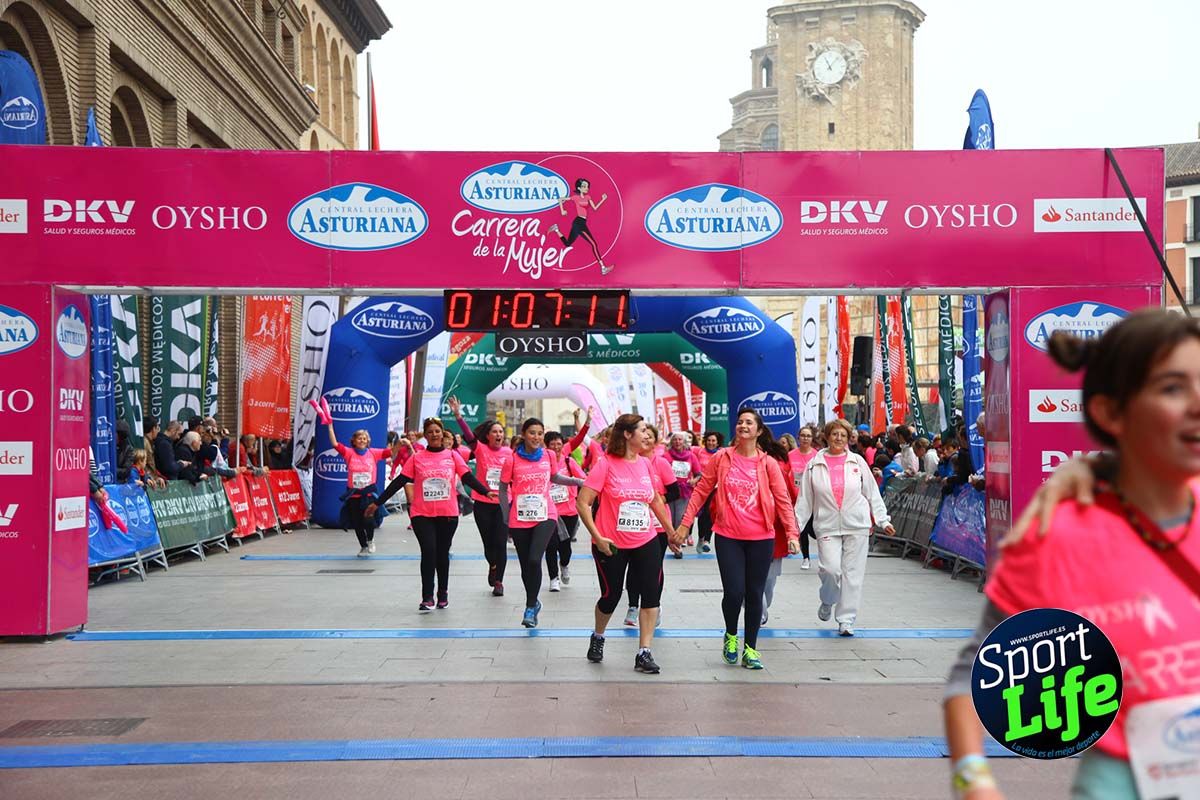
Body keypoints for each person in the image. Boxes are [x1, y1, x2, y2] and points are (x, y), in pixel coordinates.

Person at [944, 309, 1200, 799]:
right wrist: (974, 783)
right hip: (1126, 781)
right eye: (1172, 388)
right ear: (1110, 413)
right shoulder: (1054, 534)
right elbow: (970, 681)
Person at [676, 408, 800, 669]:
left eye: (749, 423)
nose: (743, 425)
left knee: (755, 594)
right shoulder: (722, 458)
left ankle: (751, 649)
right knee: (734, 592)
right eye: (740, 422)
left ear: (759, 430)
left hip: (761, 537)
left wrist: (792, 534)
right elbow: (700, 491)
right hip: (728, 535)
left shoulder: (768, 464)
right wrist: (686, 524)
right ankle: (731, 635)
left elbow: (783, 501)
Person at [577, 414, 678, 673]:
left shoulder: (645, 464)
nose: (647, 435)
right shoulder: (605, 464)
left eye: (647, 430)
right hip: (611, 543)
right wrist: (597, 537)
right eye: (642, 430)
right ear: (626, 434)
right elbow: (583, 502)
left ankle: (644, 652)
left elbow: (654, 499)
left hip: (645, 539)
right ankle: (598, 636)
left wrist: (670, 532)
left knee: (651, 594)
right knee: (611, 596)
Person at [368, 417, 494, 610]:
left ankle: (442, 592)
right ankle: (427, 596)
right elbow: (399, 481)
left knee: (442, 554)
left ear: (442, 434)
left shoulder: (452, 456)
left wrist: (485, 491)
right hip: (422, 514)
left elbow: (467, 477)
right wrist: (377, 503)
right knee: (428, 552)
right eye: (430, 432)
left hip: (448, 514)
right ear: (425, 436)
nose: (434, 434)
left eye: (437, 431)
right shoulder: (417, 457)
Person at [795, 418, 894, 637]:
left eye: (843, 435)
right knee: (831, 570)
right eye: (834, 434)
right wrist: (795, 530)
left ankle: (846, 619)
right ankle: (828, 599)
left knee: (852, 575)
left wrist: (883, 520)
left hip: (857, 524)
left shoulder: (857, 462)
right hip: (827, 525)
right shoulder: (814, 464)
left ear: (848, 438)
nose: (838, 438)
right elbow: (804, 501)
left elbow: (871, 493)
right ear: (827, 437)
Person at [498, 418, 584, 628]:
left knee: (536, 560)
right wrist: (506, 516)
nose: (536, 437)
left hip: (546, 514)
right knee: (526, 564)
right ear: (524, 434)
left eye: (539, 433)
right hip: (520, 517)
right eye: (532, 433)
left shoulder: (548, 455)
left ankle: (529, 607)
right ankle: (534, 602)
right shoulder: (512, 459)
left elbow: (554, 477)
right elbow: (502, 489)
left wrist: (577, 481)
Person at [449, 396, 513, 596]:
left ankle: (499, 582)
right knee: (488, 543)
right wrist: (458, 415)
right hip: (483, 502)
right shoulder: (481, 449)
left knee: (501, 542)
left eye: (501, 432)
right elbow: (468, 436)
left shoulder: (509, 452)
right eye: (494, 431)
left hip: (504, 502)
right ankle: (493, 565)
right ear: (487, 436)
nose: (498, 434)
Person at [316, 398, 390, 557]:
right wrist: (330, 425)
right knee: (356, 523)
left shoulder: (374, 453)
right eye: (359, 438)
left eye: (365, 438)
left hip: (369, 494)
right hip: (353, 494)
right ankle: (363, 546)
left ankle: (370, 541)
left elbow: (391, 452)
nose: (362, 440)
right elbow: (335, 444)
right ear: (354, 441)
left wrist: (402, 443)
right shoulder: (348, 453)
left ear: (368, 441)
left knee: (368, 519)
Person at [623, 425, 678, 627]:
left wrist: (657, 499)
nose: (645, 440)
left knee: (654, 568)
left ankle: (654, 604)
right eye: (642, 436)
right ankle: (632, 606)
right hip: (633, 523)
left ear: (654, 442)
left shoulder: (661, 463)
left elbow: (675, 492)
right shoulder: (627, 461)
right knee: (633, 567)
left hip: (658, 525)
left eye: (649, 438)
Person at [762, 439, 801, 625]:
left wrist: (792, 528)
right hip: (744, 528)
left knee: (769, 578)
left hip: (774, 526)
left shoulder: (778, 463)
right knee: (747, 577)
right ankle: (757, 608)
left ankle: (762, 604)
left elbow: (789, 495)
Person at [544, 431, 586, 589]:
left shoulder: (569, 462)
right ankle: (553, 578)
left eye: (559, 444)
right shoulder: (542, 462)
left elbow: (582, 479)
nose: (556, 447)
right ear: (546, 446)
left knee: (565, 547)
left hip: (569, 511)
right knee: (551, 545)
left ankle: (564, 564)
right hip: (549, 512)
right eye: (552, 444)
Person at [548, 177, 612, 275]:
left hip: (581, 222)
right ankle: (603, 268)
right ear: (579, 188)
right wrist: (562, 210)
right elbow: (560, 199)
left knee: (568, 244)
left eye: (587, 186)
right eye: (584, 186)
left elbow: (595, 208)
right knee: (593, 244)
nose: (586, 188)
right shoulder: (575, 197)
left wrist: (603, 199)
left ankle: (556, 229)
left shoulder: (588, 197)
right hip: (578, 223)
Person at [786, 426, 819, 569]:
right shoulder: (791, 455)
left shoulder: (816, 455)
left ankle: (827, 547)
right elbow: (787, 474)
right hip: (796, 497)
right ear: (798, 437)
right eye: (803, 436)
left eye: (808, 436)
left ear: (812, 439)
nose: (805, 438)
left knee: (814, 529)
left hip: (814, 498)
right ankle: (806, 558)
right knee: (802, 529)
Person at [692, 430, 724, 553]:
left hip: (715, 488)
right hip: (701, 488)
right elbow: (685, 450)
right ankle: (701, 538)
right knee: (702, 516)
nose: (711, 443)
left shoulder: (722, 453)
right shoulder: (699, 451)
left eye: (713, 441)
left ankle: (707, 540)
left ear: (717, 442)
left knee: (710, 514)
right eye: (709, 440)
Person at [664, 432, 700, 532]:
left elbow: (699, 474)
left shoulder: (691, 456)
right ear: (672, 442)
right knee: (669, 516)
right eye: (675, 439)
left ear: (684, 442)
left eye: (680, 439)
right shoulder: (666, 456)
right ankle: (670, 536)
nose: (677, 442)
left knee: (680, 516)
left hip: (684, 491)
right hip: (669, 490)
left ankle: (679, 537)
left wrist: (694, 480)